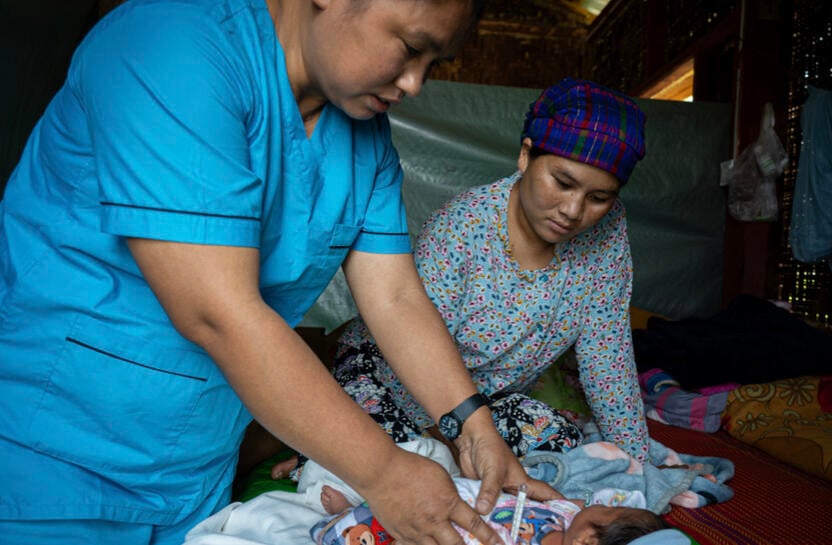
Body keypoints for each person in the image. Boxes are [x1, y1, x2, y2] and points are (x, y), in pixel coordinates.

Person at [0, 0, 558, 544]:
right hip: (53, 455)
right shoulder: (169, 43)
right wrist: (385, 474)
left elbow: (394, 299)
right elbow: (217, 312)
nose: (415, 83)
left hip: (194, 469)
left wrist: (476, 431)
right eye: (411, 47)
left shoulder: (367, 141)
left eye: (434, 64)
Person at [274, 77, 652, 483]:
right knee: (410, 461)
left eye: (599, 198)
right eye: (562, 182)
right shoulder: (464, 228)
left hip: (488, 405)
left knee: (564, 441)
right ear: (526, 156)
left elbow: (607, 355)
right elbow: (412, 350)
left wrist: (638, 464)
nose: (573, 210)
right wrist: (457, 444)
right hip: (393, 382)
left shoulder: (607, 233)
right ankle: (320, 456)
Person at [309, 476, 672, 545]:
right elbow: (564, 501)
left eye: (602, 511)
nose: (597, 505)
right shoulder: (564, 516)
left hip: (439, 538)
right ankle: (356, 504)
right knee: (405, 498)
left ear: (587, 540)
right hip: (451, 506)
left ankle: (343, 519)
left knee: (369, 533)